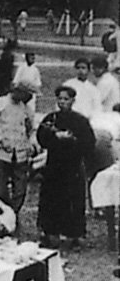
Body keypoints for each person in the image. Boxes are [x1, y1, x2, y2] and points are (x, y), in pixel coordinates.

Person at [36, 85, 96, 248]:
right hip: (54, 167)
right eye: (60, 99)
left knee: (73, 201)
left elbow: (89, 143)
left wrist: (72, 140)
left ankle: (74, 234)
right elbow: (41, 137)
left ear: (72, 101)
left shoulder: (80, 121)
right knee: (51, 199)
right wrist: (55, 136)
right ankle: (50, 232)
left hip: (73, 167)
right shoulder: (50, 118)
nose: (62, 102)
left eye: (66, 99)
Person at [0, 84, 37, 212]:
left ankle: (13, 214)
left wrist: (32, 143)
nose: (29, 97)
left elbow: (32, 130)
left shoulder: (27, 109)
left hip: (21, 155)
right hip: (0, 155)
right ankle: (0, 215)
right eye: (27, 94)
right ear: (17, 91)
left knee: (20, 190)